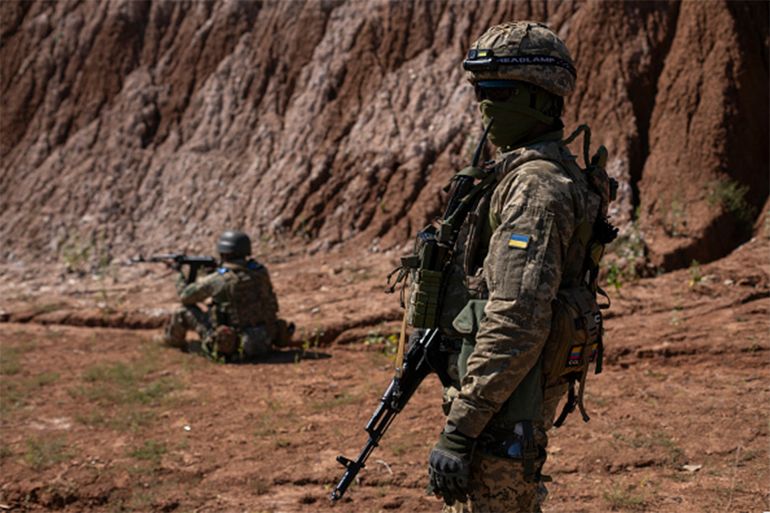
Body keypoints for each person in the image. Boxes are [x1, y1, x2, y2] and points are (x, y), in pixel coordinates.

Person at [424, 22, 615, 512]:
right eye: (479, 91)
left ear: (540, 97)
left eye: (498, 91)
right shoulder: (520, 173)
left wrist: (461, 428)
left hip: (506, 404)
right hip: (503, 395)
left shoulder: (536, 188)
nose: (484, 104)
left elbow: (518, 318)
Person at [161, 230, 294, 362]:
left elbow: (185, 296)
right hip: (265, 341)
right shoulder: (260, 272)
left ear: (223, 252)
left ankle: (171, 342)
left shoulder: (219, 279)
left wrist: (179, 274)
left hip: (232, 347)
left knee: (183, 311)